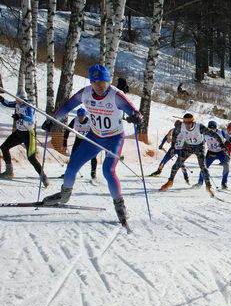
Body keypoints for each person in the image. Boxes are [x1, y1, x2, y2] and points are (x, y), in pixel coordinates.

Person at [40, 64, 140, 228]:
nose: (99, 87)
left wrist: (137, 117)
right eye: (95, 83)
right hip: (94, 136)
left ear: (108, 82)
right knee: (71, 167)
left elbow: (134, 111)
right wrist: (52, 120)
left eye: (102, 83)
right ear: (91, 83)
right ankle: (64, 196)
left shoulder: (116, 95)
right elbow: (67, 107)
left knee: (108, 170)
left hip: (114, 138)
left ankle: (120, 207)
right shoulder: (85, 93)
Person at [159, 113, 215, 196]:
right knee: (175, 165)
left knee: (189, 166)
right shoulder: (175, 130)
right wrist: (165, 143)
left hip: (187, 148)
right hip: (176, 149)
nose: (177, 127)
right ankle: (168, 180)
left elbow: (197, 133)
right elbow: (168, 137)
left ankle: (204, 184)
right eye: (184, 123)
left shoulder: (190, 128)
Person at [0, 91, 48, 185]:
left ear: (22, 99)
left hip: (28, 134)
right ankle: (9, 171)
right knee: (4, 147)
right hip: (19, 132)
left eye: (17, 99)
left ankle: (43, 176)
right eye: (16, 99)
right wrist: (1, 99)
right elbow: (7, 103)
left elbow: (30, 118)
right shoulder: (17, 104)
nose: (16, 100)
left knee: (31, 158)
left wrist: (20, 116)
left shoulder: (28, 106)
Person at [62, 108, 97, 181]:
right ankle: (68, 172)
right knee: (73, 156)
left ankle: (93, 174)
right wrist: (65, 142)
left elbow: (96, 131)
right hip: (78, 139)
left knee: (93, 156)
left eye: (82, 116)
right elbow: (67, 130)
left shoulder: (90, 121)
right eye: (79, 116)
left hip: (88, 140)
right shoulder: (75, 120)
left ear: (85, 115)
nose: (80, 118)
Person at [196, 121, 231, 189]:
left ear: (216, 128)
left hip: (221, 152)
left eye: (213, 129)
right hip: (211, 153)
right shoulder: (205, 134)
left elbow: (229, 138)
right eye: (210, 129)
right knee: (204, 167)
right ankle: (200, 183)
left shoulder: (221, 132)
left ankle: (224, 183)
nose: (212, 131)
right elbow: (201, 142)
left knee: (226, 166)